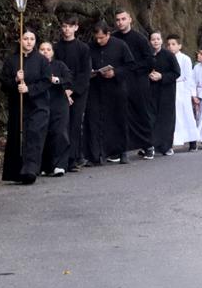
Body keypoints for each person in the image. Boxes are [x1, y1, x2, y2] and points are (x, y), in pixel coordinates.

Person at [1, 27, 51, 184]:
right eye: (25, 38)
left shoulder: (42, 60)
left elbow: (46, 81)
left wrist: (29, 89)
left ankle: (30, 170)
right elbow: (3, 83)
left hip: (37, 106)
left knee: (34, 135)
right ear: (20, 41)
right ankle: (16, 171)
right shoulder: (12, 60)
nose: (28, 42)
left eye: (31, 39)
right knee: (18, 136)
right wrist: (16, 80)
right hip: (19, 107)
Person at [86, 21, 133, 165]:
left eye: (102, 38)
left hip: (116, 88)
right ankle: (97, 154)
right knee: (95, 120)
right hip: (96, 88)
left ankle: (122, 151)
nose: (99, 41)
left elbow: (130, 65)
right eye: (97, 38)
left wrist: (115, 73)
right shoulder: (90, 47)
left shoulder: (120, 45)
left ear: (108, 34)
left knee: (119, 119)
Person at [113, 9, 156, 158]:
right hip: (119, 82)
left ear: (130, 19)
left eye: (123, 19)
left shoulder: (140, 39)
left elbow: (150, 60)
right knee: (120, 115)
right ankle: (120, 149)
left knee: (141, 113)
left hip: (138, 82)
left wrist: (133, 69)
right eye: (118, 20)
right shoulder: (113, 38)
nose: (120, 22)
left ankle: (148, 145)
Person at [53, 16, 91, 171]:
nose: (67, 29)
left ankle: (73, 159)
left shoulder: (83, 48)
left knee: (75, 124)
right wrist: (63, 89)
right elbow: (54, 69)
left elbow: (85, 72)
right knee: (61, 125)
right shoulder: (55, 48)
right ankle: (59, 159)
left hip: (78, 91)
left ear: (76, 28)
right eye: (64, 26)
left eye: (70, 26)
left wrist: (72, 90)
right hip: (59, 89)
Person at [38, 40, 72, 178]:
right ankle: (46, 166)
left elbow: (69, 79)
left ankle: (60, 165)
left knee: (60, 132)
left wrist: (56, 80)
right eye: (42, 49)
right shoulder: (35, 66)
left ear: (52, 52)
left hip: (59, 103)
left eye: (48, 49)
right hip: (41, 103)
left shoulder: (59, 65)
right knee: (43, 133)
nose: (45, 51)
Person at [147, 31, 181, 157]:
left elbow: (177, 72)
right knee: (151, 118)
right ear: (150, 42)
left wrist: (162, 76)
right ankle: (151, 145)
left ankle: (166, 146)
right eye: (153, 39)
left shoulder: (169, 55)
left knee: (166, 119)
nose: (155, 41)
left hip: (166, 91)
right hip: (151, 91)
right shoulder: (148, 55)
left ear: (161, 41)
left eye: (158, 39)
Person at [168, 35, 199, 151]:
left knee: (187, 115)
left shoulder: (185, 59)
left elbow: (189, 77)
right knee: (174, 116)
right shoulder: (167, 58)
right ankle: (173, 141)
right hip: (171, 88)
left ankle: (192, 140)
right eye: (169, 44)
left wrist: (191, 93)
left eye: (173, 44)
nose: (171, 47)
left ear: (179, 46)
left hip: (182, 88)